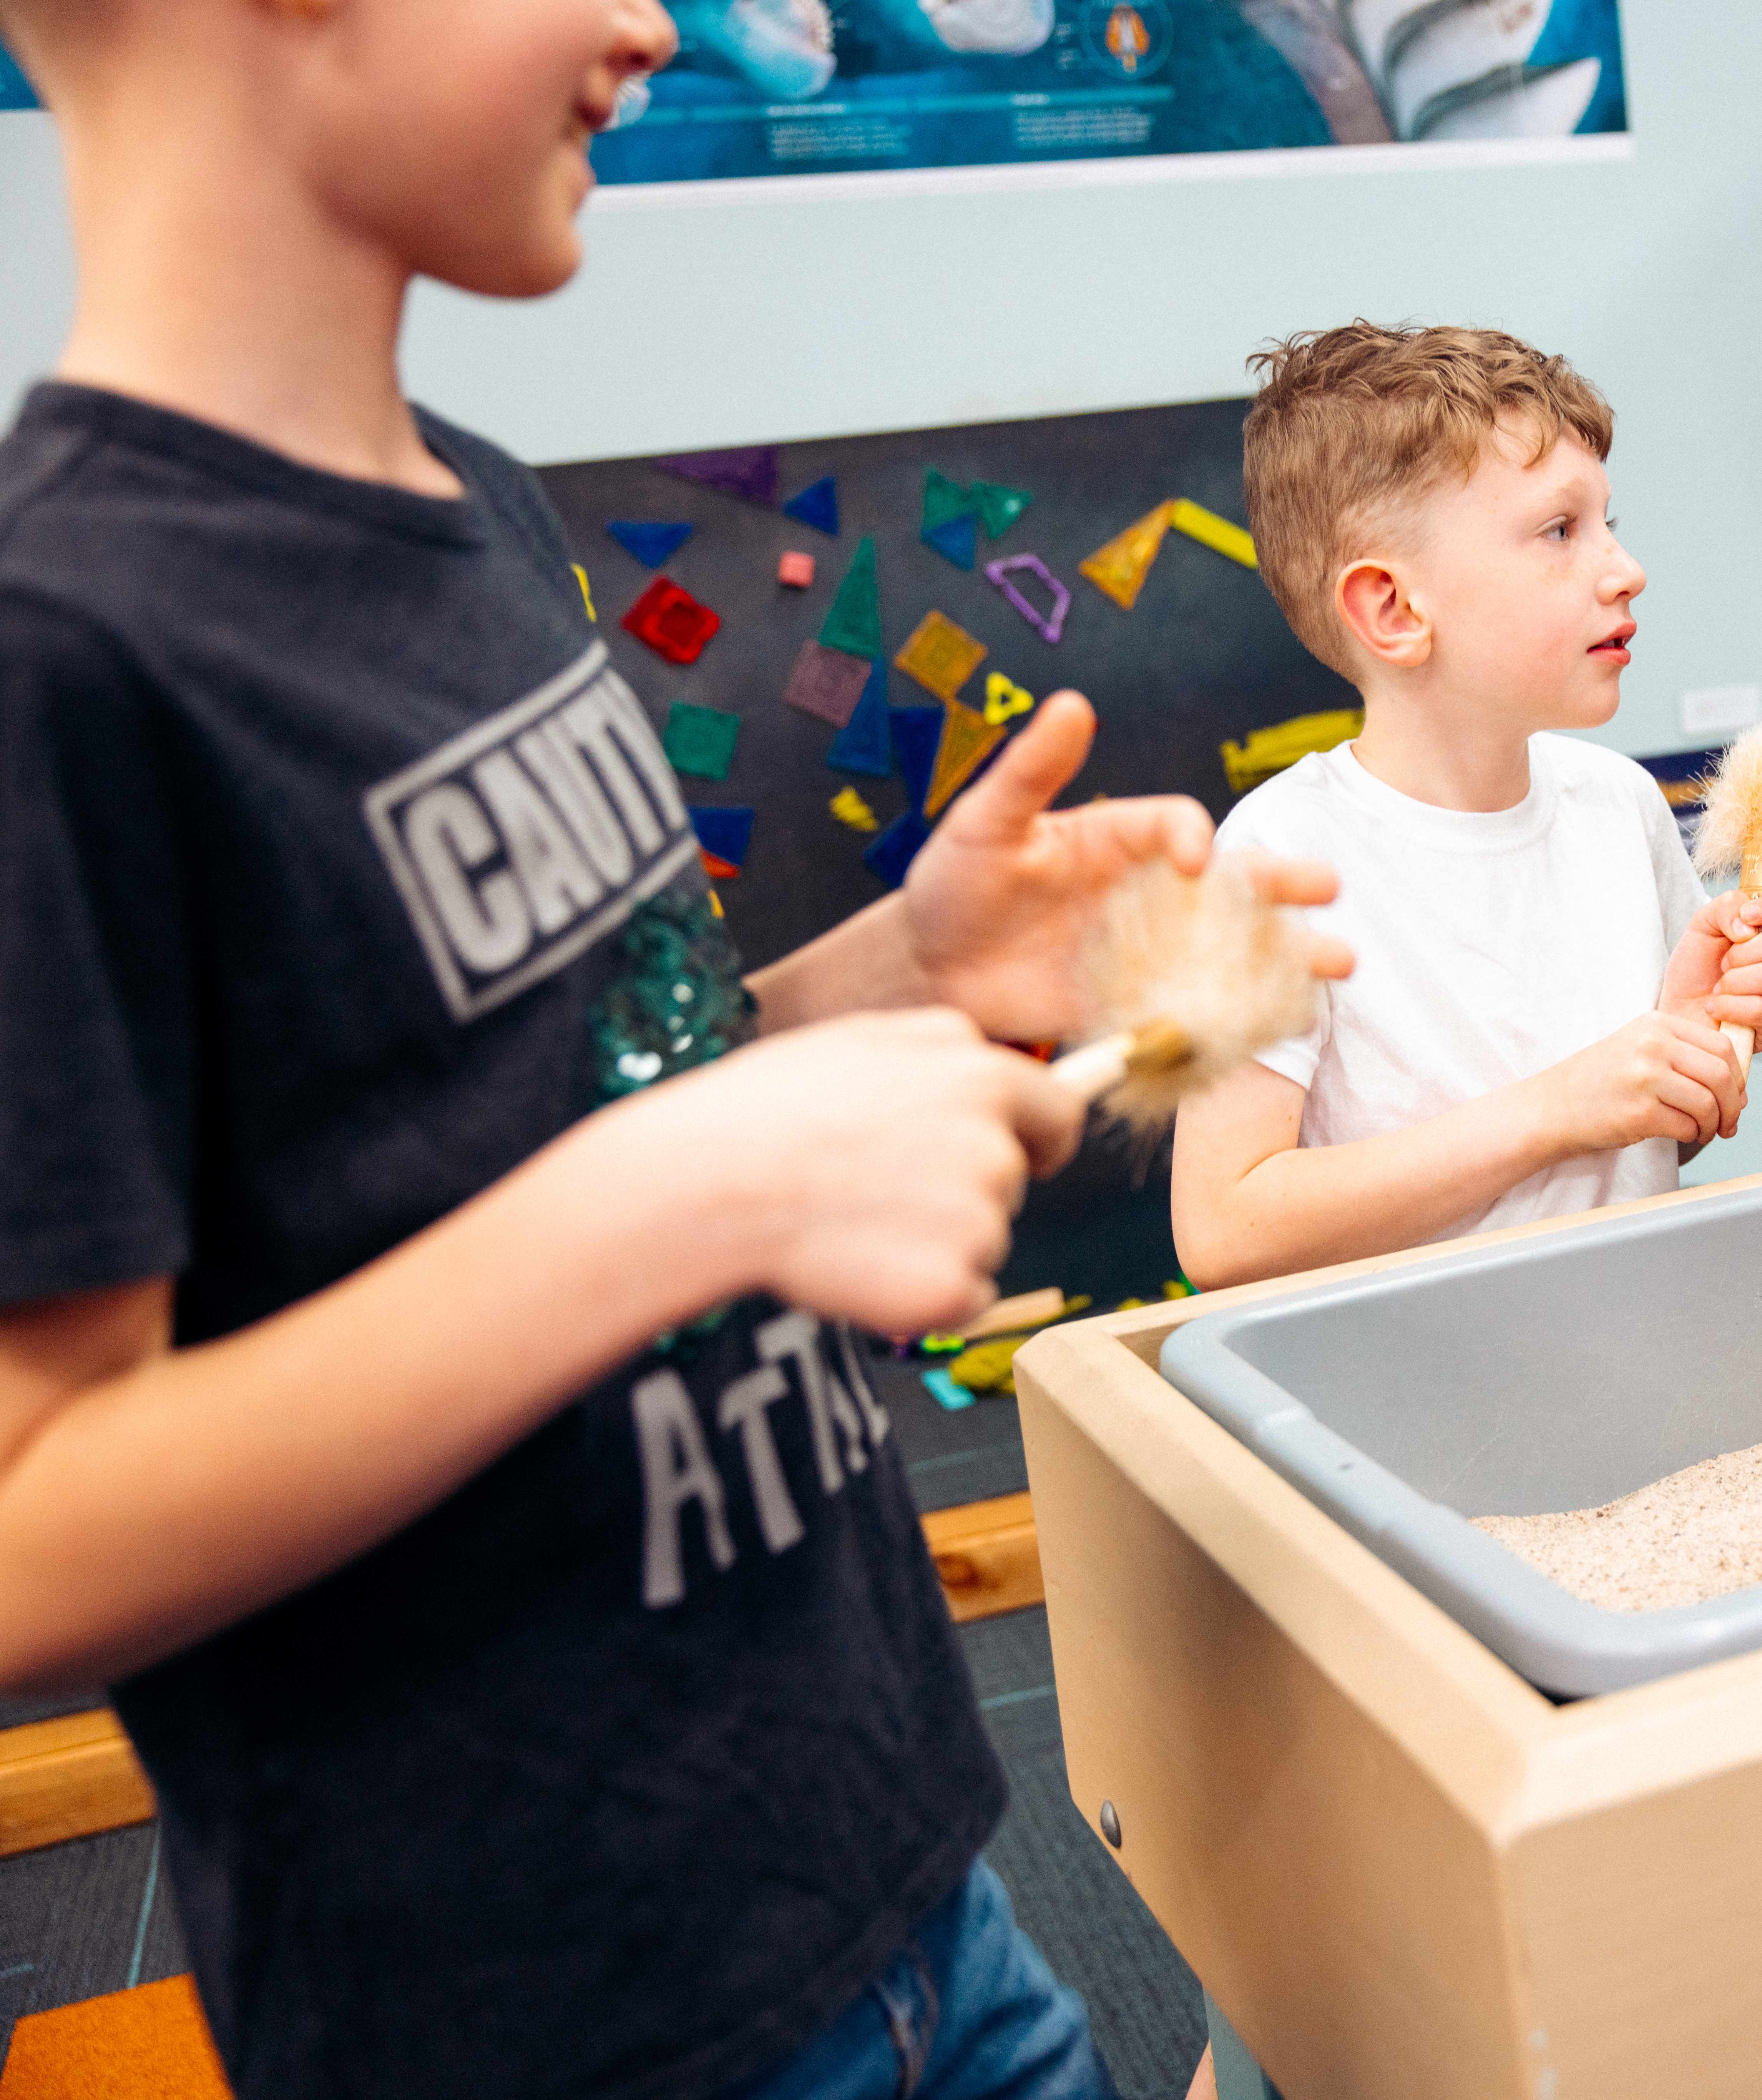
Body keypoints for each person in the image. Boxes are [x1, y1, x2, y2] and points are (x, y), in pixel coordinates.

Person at [0, 2, 1340, 2095]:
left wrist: (901, 967)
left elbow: (577, 1092)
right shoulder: (59, 649)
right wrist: (680, 1201)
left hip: (899, 1886)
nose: (652, 20)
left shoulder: (477, 504)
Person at [1169, 322, 1762, 1290]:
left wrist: (1689, 1048)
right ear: (1394, 610)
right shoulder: (1275, 858)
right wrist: (1562, 1103)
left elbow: (1641, 1157)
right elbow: (1224, 1226)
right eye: (1561, 531)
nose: (1624, 567)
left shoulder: (1618, 804)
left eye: (1608, 519)